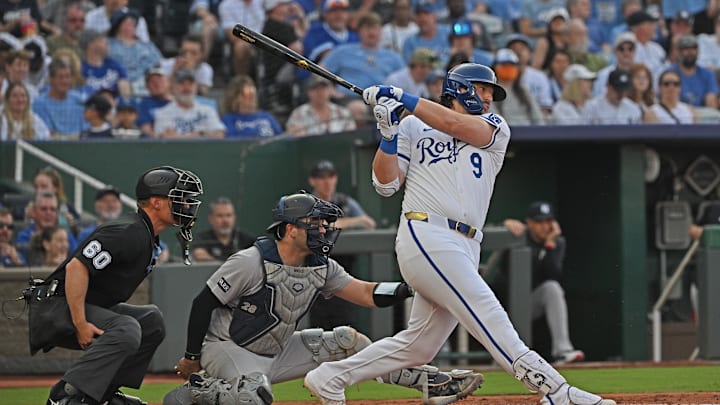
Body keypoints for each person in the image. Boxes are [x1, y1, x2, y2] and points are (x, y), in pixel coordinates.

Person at [304, 63, 616, 405]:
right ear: (460, 88)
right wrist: (388, 136)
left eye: (490, 93)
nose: (487, 98)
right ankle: (555, 390)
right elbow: (385, 184)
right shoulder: (412, 125)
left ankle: (330, 377)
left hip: (467, 243)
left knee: (419, 345)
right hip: (426, 234)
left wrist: (402, 97)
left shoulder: (494, 126)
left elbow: (452, 124)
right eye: (481, 89)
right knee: (488, 313)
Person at [164, 191, 483, 405]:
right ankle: (198, 392)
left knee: (347, 341)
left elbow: (367, 293)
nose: (323, 231)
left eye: (323, 224)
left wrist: (412, 286)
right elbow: (202, 303)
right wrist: (192, 357)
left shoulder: (322, 265)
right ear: (290, 229)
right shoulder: (249, 260)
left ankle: (432, 384)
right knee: (254, 395)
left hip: (277, 349)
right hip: (229, 348)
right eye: (314, 225)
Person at [41, 166, 203, 405]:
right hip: (53, 307)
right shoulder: (129, 230)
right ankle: (65, 396)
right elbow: (76, 267)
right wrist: (80, 322)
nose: (187, 206)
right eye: (179, 198)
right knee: (127, 328)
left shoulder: (146, 233)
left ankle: (103, 395)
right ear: (157, 202)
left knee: (151, 321)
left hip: (75, 304)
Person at [500, 202, 585, 364]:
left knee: (552, 288)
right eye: (539, 222)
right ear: (529, 222)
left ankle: (562, 351)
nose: (544, 226)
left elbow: (552, 274)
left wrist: (549, 245)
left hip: (532, 303)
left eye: (548, 221)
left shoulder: (556, 243)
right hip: (506, 304)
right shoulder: (519, 235)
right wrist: (505, 225)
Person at [153, 69, 226, 139]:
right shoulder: (163, 113)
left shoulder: (208, 110)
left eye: (190, 84)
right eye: (182, 83)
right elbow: (165, 139)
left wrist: (178, 136)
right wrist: (201, 134)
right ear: (173, 87)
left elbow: (219, 134)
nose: (186, 88)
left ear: (196, 87)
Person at [191, 197, 256, 262]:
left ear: (234, 217)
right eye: (220, 216)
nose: (225, 220)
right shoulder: (201, 239)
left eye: (229, 215)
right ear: (211, 218)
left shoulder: (248, 240)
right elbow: (199, 254)